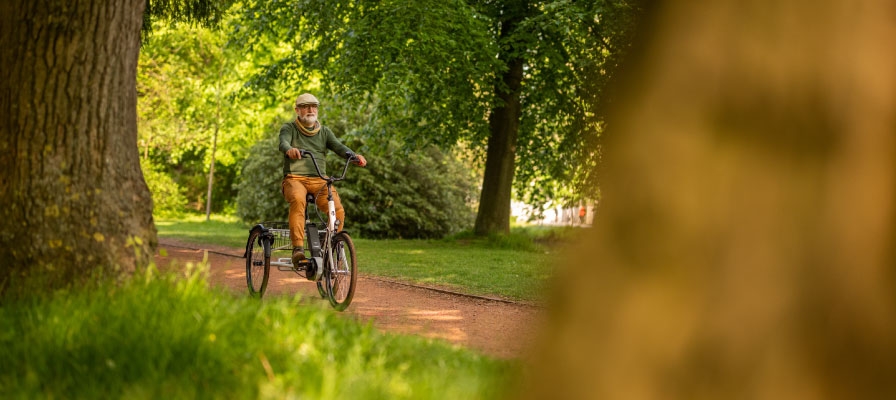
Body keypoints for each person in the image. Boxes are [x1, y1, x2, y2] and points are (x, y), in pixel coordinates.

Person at [279, 93, 367, 266]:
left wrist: (354, 156)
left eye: (314, 106)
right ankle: (298, 249)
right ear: (297, 110)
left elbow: (339, 147)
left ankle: (330, 245)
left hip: (319, 180)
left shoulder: (324, 132)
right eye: (305, 106)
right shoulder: (289, 128)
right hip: (294, 178)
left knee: (338, 210)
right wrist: (289, 149)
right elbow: (283, 143)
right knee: (298, 200)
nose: (310, 110)